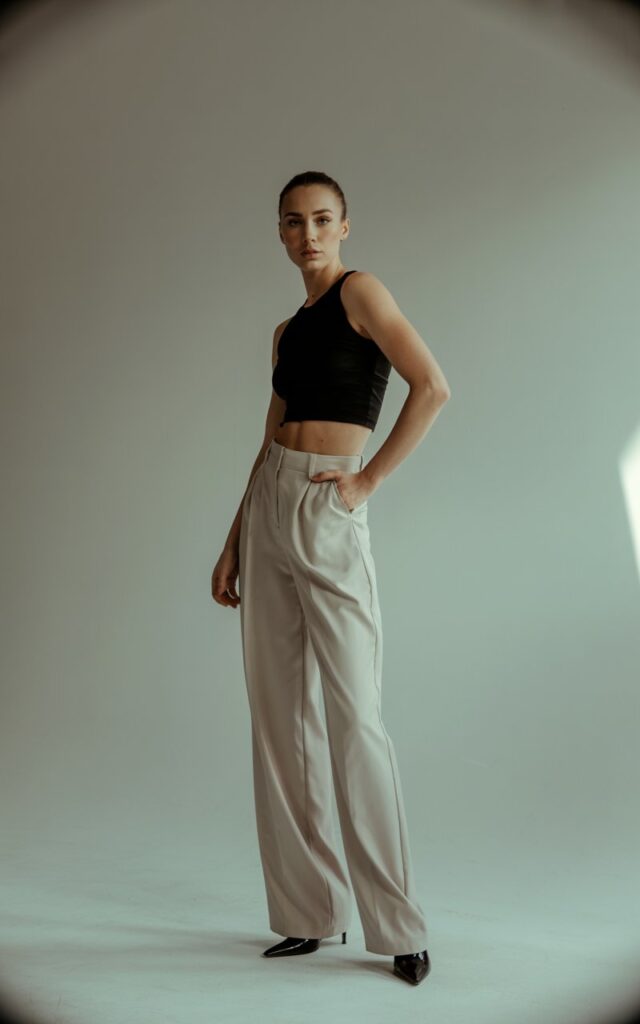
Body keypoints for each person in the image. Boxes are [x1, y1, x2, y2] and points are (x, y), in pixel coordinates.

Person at [211, 171, 451, 986]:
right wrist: (234, 541)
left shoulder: (361, 292)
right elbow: (268, 437)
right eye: (292, 222)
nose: (307, 234)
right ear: (279, 232)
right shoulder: (286, 332)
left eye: (321, 219)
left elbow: (432, 387)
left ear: (344, 226)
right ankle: (309, 913)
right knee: (279, 719)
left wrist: (366, 482)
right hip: (270, 505)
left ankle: (399, 927)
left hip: (329, 504)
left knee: (357, 721)